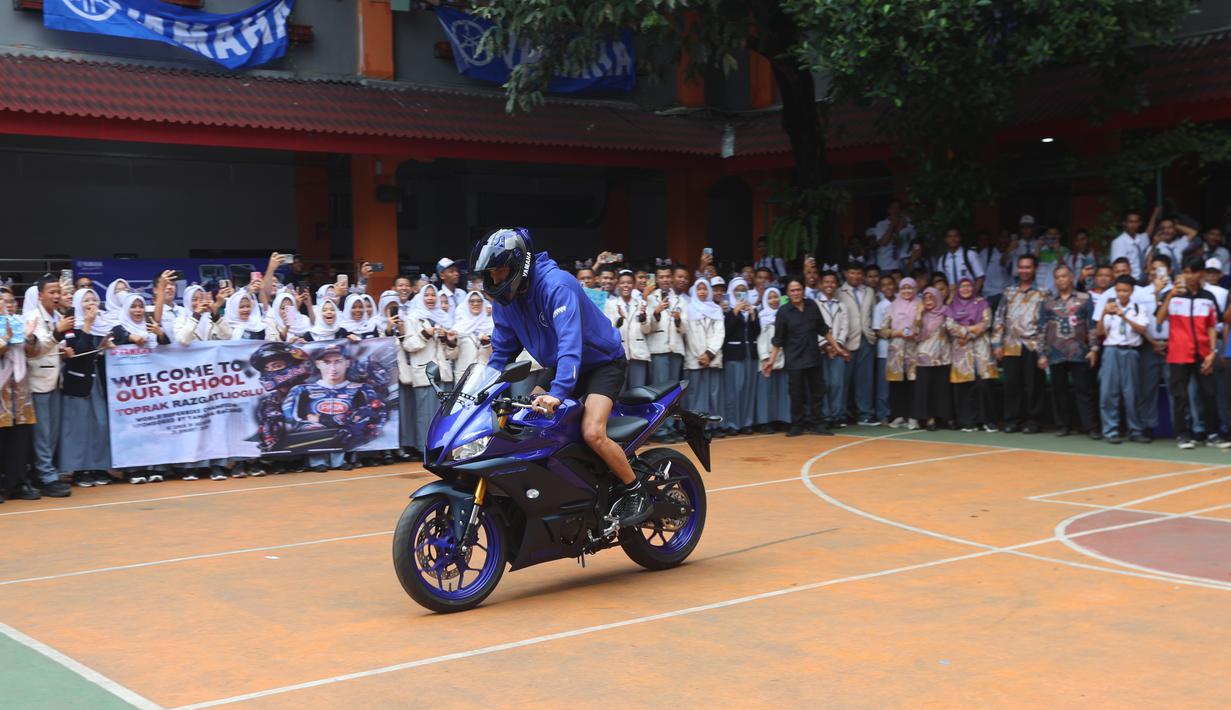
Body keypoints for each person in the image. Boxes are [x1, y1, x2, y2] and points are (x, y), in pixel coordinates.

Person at [471, 229, 651, 527]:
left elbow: (570, 341)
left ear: (519, 266)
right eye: (491, 273)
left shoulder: (557, 285)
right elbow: (501, 354)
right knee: (529, 422)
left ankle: (635, 490)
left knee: (593, 432)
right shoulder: (506, 302)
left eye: (500, 271)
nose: (495, 279)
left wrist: (559, 392)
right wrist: (480, 391)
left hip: (601, 362)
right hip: (560, 363)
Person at [1157, 256, 1227, 449]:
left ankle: (1212, 434)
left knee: (1209, 393)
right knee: (1180, 395)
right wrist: (1169, 295)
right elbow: (1160, 319)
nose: (1189, 276)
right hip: (1178, 353)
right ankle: (1182, 435)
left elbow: (1212, 326)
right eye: (1186, 271)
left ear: (1201, 274)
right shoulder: (1172, 295)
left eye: (1193, 272)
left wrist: (1212, 352)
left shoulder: (1208, 297)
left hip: (1204, 353)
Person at [763, 277, 838, 437]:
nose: (796, 293)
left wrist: (837, 347)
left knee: (817, 392)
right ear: (788, 293)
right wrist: (771, 360)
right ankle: (797, 425)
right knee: (796, 393)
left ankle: (818, 424)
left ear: (803, 291)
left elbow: (823, 330)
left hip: (813, 356)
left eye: (798, 290)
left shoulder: (812, 305)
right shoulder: (783, 311)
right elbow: (778, 339)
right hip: (794, 359)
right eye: (792, 290)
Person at [60, 288, 114, 487]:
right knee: (79, 427)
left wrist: (105, 345)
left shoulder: (103, 324)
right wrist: (88, 324)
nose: (91, 303)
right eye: (85, 300)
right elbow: (79, 353)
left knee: (99, 424)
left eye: (93, 299)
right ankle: (81, 469)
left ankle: (99, 467)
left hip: (95, 381)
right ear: (77, 303)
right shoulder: (71, 325)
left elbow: (98, 351)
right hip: (77, 382)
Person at [1040, 265, 1100, 439]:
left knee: (1084, 391)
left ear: (1072, 277)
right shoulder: (1048, 302)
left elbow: (1092, 326)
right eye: (1057, 277)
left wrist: (1094, 349)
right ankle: (1062, 425)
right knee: (1059, 391)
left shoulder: (1084, 298)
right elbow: (1041, 328)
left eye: (1064, 276)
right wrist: (1041, 354)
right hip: (1055, 353)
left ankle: (1091, 427)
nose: (1061, 280)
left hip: (1079, 352)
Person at [25, 277, 71, 497]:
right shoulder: (33, 318)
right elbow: (35, 348)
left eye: (58, 292)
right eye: (51, 292)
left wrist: (65, 351)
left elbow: (55, 346)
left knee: (52, 433)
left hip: (55, 381)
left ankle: (44, 472)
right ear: (40, 295)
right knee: (43, 434)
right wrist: (57, 334)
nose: (56, 296)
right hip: (38, 382)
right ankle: (46, 477)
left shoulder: (59, 317)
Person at [993, 255, 1047, 433]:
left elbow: (1046, 323)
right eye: (1021, 267)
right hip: (1011, 344)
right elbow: (999, 317)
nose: (1024, 271)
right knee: (1012, 384)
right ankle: (1012, 420)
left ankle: (1033, 421)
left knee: (1034, 385)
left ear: (1035, 269)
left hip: (1033, 344)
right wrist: (996, 344)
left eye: (1028, 267)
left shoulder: (1043, 292)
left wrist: (1043, 351)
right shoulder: (1009, 292)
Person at [402, 284, 459, 455]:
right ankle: (424, 448)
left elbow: (453, 354)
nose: (430, 298)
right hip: (425, 373)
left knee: (443, 415)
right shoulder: (412, 318)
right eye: (426, 295)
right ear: (420, 298)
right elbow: (408, 345)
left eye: (433, 295)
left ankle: (441, 447)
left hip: (443, 373)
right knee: (425, 415)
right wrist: (424, 335)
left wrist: (448, 341)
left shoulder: (445, 319)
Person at [1096, 276, 1151, 444]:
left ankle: (1135, 430)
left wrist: (1124, 316)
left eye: (1125, 290)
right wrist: (1104, 313)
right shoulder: (1109, 307)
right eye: (1119, 290)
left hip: (1131, 351)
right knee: (1108, 392)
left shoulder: (1138, 308)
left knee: (1132, 393)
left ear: (1132, 291)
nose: (1122, 294)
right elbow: (1100, 332)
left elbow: (1142, 329)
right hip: (1112, 350)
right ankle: (1110, 430)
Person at [0, 288, 39, 502]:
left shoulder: (19, 323)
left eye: (11, 301)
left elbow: (34, 352)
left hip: (20, 393)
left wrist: (30, 337)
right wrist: (5, 340)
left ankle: (17, 483)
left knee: (19, 439)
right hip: (1, 395)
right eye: (2, 301)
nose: (7, 305)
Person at [945, 278, 997, 432]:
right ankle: (968, 422)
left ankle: (987, 421)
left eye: (968, 286)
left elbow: (986, 322)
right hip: (961, 350)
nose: (966, 289)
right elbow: (949, 325)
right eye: (962, 286)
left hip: (981, 349)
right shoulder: (952, 306)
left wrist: (969, 334)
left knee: (984, 385)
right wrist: (969, 332)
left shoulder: (982, 303)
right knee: (964, 387)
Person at [681, 279, 724, 436]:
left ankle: (713, 427)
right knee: (695, 395)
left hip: (713, 358)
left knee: (713, 393)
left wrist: (709, 353)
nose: (702, 292)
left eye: (705, 289)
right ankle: (695, 427)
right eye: (699, 289)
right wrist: (701, 355)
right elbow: (688, 335)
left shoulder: (716, 309)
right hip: (695, 358)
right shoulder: (689, 309)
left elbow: (720, 333)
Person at [720, 277, 760, 436]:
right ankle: (732, 423)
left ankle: (747, 422)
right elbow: (726, 332)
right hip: (734, 355)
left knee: (748, 391)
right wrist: (735, 312)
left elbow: (757, 332)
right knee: (733, 391)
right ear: (732, 291)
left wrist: (753, 316)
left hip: (750, 354)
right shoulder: (727, 309)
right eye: (738, 290)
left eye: (743, 289)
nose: (741, 293)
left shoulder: (752, 309)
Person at [839, 262, 878, 425]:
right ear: (846, 274)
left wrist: (872, 333)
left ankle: (865, 415)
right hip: (846, 341)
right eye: (852, 273)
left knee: (865, 380)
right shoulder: (838, 292)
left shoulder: (869, 291)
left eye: (859, 273)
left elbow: (874, 314)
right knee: (843, 381)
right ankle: (841, 414)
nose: (856, 276)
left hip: (866, 340)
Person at [880, 277, 920, 429]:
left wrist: (911, 332)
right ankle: (898, 416)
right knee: (896, 384)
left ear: (915, 289)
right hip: (896, 350)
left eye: (910, 288)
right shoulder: (891, 307)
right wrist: (898, 332)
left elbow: (923, 326)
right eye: (904, 288)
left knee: (912, 384)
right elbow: (883, 331)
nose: (907, 291)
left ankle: (913, 417)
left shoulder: (920, 305)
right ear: (899, 289)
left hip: (913, 350)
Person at [605, 272, 651, 393]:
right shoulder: (611, 304)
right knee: (619, 390)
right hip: (619, 354)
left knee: (638, 391)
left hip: (638, 353)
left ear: (634, 285)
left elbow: (647, 330)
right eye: (623, 283)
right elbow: (607, 330)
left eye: (629, 283)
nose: (626, 286)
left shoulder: (641, 303)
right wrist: (618, 321)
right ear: (617, 285)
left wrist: (643, 319)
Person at [815, 272, 851, 428]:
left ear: (836, 285)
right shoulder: (815, 304)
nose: (829, 285)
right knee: (824, 383)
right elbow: (814, 327)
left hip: (838, 350)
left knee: (837, 383)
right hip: (821, 350)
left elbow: (845, 327)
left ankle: (836, 415)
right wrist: (825, 345)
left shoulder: (842, 306)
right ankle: (826, 415)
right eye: (826, 282)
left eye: (832, 282)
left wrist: (837, 345)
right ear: (821, 284)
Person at [913, 287, 952, 431]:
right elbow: (914, 335)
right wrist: (918, 314)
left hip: (943, 357)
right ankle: (929, 419)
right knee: (926, 390)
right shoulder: (921, 315)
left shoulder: (946, 312)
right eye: (925, 298)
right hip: (924, 357)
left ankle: (943, 417)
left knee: (941, 390)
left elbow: (953, 330)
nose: (928, 301)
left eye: (931, 298)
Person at [754, 286, 789, 431]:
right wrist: (765, 357)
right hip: (765, 357)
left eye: (776, 297)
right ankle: (765, 422)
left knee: (783, 390)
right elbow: (758, 338)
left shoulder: (785, 315)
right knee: (766, 391)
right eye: (769, 297)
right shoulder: (760, 316)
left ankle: (783, 419)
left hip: (783, 357)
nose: (773, 300)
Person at [1108, 209, 1156, 282]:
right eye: (1130, 222)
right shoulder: (1119, 242)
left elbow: (1149, 231)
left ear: (1140, 223)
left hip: (1145, 279)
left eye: (1136, 222)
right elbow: (1117, 266)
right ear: (1124, 223)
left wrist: (1155, 213)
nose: (1133, 225)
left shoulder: (1142, 238)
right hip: (1130, 280)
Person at [872, 275, 896, 425]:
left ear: (895, 285)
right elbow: (877, 330)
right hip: (884, 351)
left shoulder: (902, 302)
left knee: (898, 384)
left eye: (890, 284)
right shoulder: (880, 306)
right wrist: (894, 332)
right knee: (884, 386)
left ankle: (897, 413)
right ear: (880, 289)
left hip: (901, 350)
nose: (887, 288)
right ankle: (883, 414)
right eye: (884, 285)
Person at [453, 290, 494, 376]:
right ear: (466, 304)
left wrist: (486, 343)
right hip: (464, 377)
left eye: (479, 301)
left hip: (485, 376)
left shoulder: (491, 325)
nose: (476, 304)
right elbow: (451, 356)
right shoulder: (458, 328)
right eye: (472, 301)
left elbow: (497, 352)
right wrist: (451, 342)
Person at [936, 228, 985, 294]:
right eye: (949, 237)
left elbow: (980, 278)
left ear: (960, 238)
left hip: (969, 296)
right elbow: (939, 281)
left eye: (955, 236)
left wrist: (974, 295)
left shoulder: (970, 255)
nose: (953, 239)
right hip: (951, 299)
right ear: (945, 239)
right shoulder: (942, 260)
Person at [873, 200, 915, 272]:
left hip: (903, 264)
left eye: (898, 208)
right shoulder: (881, 224)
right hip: (886, 264)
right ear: (889, 210)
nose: (896, 210)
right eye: (894, 208)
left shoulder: (908, 225)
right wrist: (893, 224)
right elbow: (884, 242)